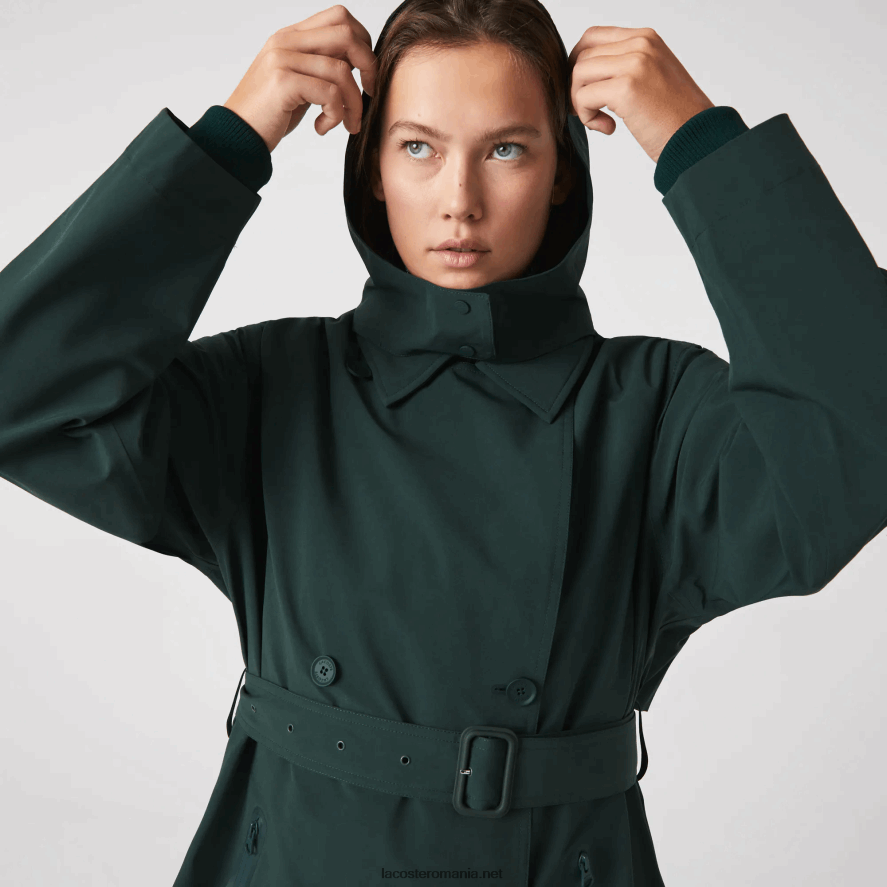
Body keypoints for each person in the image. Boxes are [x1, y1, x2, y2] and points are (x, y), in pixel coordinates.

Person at [1, 1, 885, 885]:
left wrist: (697, 144)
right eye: (418, 147)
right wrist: (229, 142)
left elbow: (860, 438)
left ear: (562, 173)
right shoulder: (271, 387)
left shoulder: (653, 412)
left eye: (506, 150)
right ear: (373, 171)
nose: (459, 201)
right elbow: (20, 395)